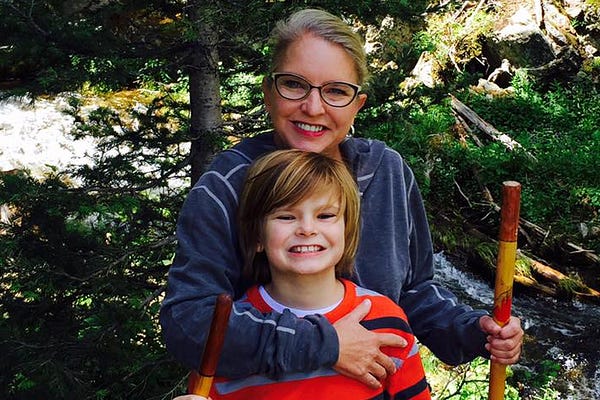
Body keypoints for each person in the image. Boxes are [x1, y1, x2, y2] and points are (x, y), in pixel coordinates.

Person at [160, 7, 523, 390]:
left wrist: (473, 330)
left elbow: (414, 291)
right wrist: (323, 344)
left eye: (335, 91)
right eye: (294, 85)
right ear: (269, 93)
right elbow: (190, 322)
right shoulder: (229, 185)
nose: (313, 107)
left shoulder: (387, 172)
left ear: (357, 105)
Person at [187, 149, 431, 399]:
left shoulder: (386, 321)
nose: (307, 229)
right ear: (257, 236)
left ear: (347, 230)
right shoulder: (230, 334)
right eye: (286, 216)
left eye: (325, 215)